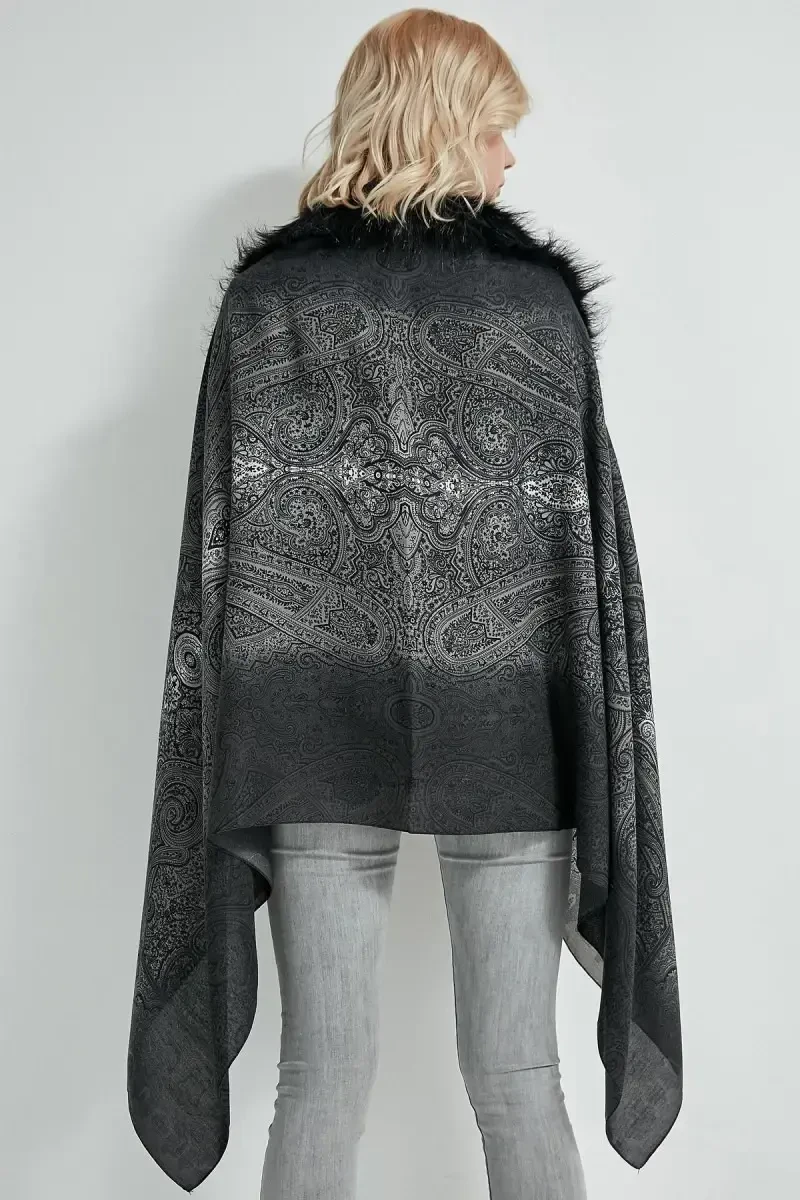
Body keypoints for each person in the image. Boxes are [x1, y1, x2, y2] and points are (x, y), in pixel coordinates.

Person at [127, 8, 683, 1198]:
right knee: (517, 1076)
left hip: (307, 725)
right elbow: (571, 553)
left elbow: (237, 544)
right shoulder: (533, 311)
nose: (509, 158)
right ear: (439, 121)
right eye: (493, 129)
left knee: (319, 1080)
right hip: (506, 725)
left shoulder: (272, 303)